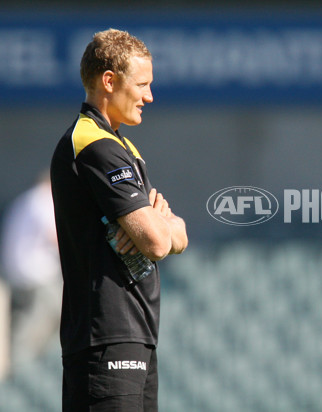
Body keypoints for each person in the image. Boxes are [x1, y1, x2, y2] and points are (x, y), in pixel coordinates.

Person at [50, 28, 188, 411]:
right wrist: (161, 228)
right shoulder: (94, 145)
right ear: (108, 81)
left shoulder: (121, 145)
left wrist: (165, 227)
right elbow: (158, 242)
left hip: (133, 334)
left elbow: (175, 233)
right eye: (142, 84)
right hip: (106, 335)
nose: (149, 96)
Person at [0, 171, 62, 370]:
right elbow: (58, 238)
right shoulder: (43, 201)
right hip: (35, 277)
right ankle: (23, 368)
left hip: (16, 276)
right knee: (58, 313)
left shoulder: (26, 199)